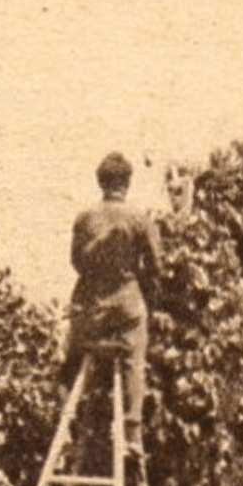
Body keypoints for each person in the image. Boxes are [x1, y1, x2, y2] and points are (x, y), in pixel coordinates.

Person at [62, 152, 164, 459]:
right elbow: (157, 266)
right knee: (135, 353)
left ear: (101, 182)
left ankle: (70, 425)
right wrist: (139, 286)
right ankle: (132, 432)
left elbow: (76, 262)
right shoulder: (139, 219)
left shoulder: (84, 218)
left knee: (70, 356)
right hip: (125, 311)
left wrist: (99, 276)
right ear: (127, 183)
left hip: (91, 313)